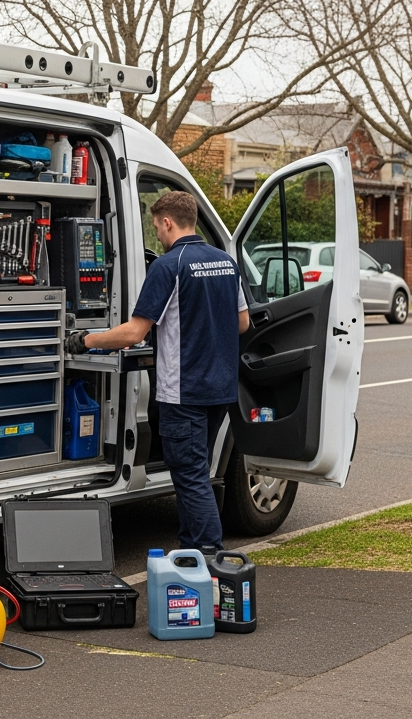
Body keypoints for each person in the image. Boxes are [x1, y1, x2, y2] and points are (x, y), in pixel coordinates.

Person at [65, 191, 249, 554]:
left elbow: (134, 333)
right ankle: (191, 553)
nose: (158, 235)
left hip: (184, 392)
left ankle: (208, 556)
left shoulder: (168, 265)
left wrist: (86, 340)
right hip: (220, 388)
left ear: (167, 222)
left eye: (157, 228)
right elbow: (242, 322)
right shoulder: (226, 262)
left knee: (191, 478)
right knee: (198, 473)